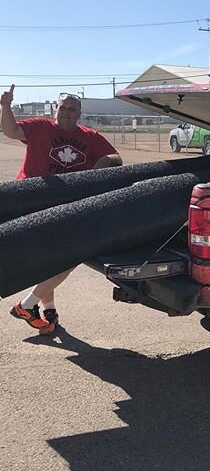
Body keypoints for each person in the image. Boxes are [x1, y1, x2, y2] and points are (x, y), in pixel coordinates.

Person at [1, 84, 122, 334]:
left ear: (79, 113)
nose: (66, 112)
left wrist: (99, 166)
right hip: (33, 198)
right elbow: (11, 131)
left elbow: (116, 158)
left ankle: (48, 310)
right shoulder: (40, 127)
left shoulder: (89, 136)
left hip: (64, 202)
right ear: (56, 109)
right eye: (63, 107)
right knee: (70, 255)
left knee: (52, 258)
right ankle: (28, 305)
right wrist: (5, 106)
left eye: (72, 109)